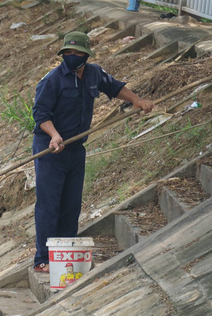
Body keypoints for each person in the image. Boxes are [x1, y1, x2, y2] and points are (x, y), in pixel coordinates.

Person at [32, 31, 154, 273]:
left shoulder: (95, 73)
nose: (72, 57)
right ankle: (43, 259)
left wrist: (137, 100)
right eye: (68, 53)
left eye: (77, 53)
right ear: (63, 54)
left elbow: (115, 87)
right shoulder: (52, 80)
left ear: (86, 55)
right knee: (49, 204)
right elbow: (41, 115)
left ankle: (64, 254)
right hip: (51, 150)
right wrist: (54, 135)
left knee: (71, 204)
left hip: (76, 150)